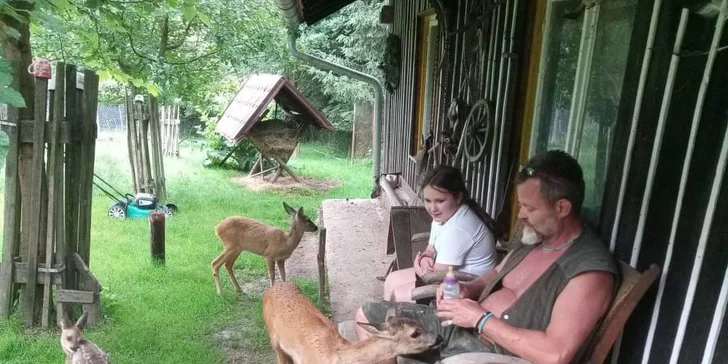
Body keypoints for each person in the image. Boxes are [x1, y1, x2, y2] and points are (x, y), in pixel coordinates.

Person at [355, 150, 618, 364]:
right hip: (459, 327)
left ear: (562, 208)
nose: (521, 215)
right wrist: (467, 289)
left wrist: (480, 319)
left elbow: (555, 354)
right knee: (367, 316)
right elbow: (492, 275)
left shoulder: (588, 271)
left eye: (529, 207)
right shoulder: (535, 239)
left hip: (498, 353)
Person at [383, 165, 498, 302]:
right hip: (449, 276)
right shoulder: (445, 215)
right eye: (427, 201)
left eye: (440, 201)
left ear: (458, 197)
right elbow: (431, 248)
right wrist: (426, 256)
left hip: (466, 290)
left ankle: (400, 322)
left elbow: (434, 276)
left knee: (397, 295)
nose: (432, 208)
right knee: (391, 280)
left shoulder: (457, 229)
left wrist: (417, 264)